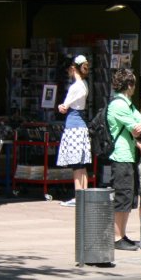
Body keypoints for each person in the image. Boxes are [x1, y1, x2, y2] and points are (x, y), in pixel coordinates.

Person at [106, 68, 141, 251]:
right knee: (122, 197)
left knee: (127, 197)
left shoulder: (127, 104)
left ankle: (122, 234)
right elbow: (137, 128)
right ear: (129, 85)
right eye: (133, 85)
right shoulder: (119, 105)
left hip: (128, 155)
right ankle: (117, 237)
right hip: (120, 155)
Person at [56, 55, 92, 207]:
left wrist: (60, 107)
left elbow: (64, 107)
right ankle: (83, 193)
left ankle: (78, 195)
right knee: (82, 163)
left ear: (73, 68)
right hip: (81, 125)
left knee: (76, 163)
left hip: (73, 125)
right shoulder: (84, 84)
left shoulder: (75, 86)